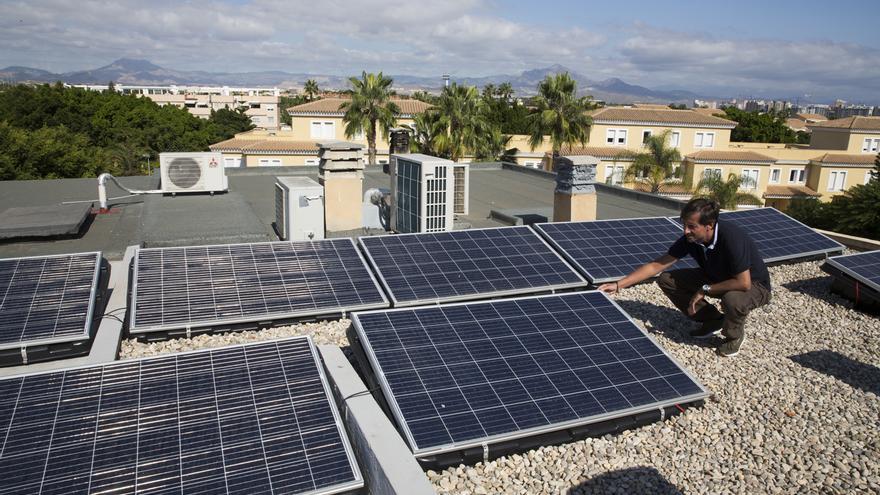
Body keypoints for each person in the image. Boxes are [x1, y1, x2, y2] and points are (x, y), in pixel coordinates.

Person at [598, 198, 771, 357]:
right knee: (667, 279)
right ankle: (713, 320)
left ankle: (733, 336)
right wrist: (618, 284)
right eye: (684, 225)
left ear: (709, 225)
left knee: (732, 299)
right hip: (716, 277)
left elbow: (743, 283)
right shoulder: (691, 239)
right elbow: (657, 265)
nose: (685, 231)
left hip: (754, 285)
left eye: (691, 226)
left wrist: (705, 289)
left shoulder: (731, 238)